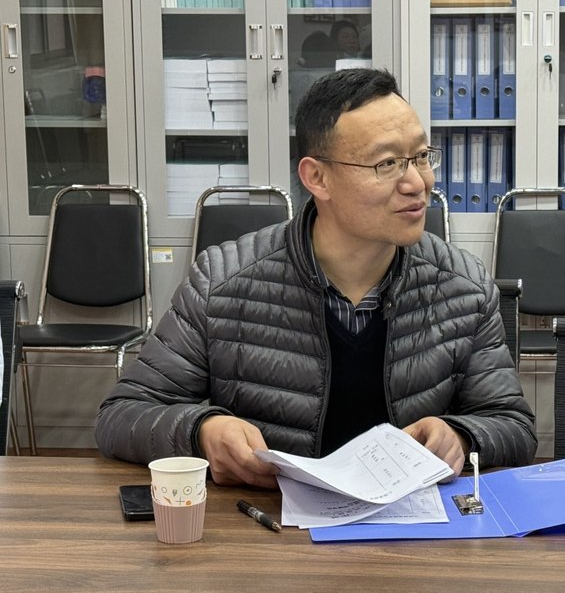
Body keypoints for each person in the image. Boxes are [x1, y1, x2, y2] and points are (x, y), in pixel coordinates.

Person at [95, 68, 537, 489]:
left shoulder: (464, 286)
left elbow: (513, 426)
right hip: (269, 527)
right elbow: (121, 417)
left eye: (421, 157)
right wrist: (201, 431)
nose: (417, 183)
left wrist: (461, 436)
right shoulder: (222, 282)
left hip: (413, 530)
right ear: (317, 177)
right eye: (387, 163)